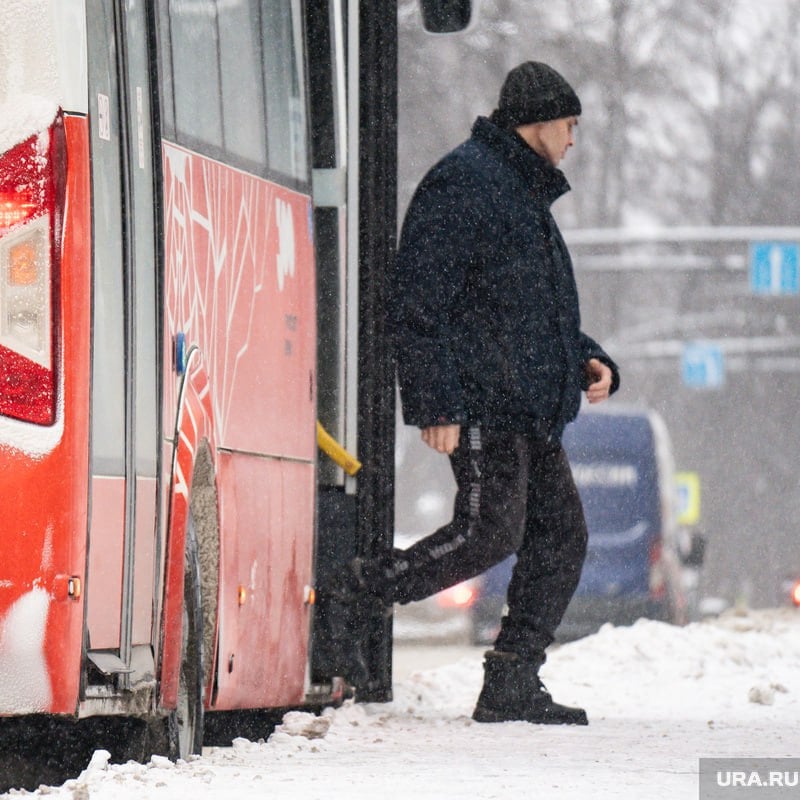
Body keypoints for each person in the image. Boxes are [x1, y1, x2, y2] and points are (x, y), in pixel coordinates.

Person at [353, 61, 619, 724]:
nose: (573, 139)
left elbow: (534, 308)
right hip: (481, 400)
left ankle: (512, 680)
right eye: (570, 125)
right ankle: (355, 594)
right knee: (488, 531)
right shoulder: (465, 182)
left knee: (561, 537)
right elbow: (419, 299)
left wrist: (588, 357)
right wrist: (435, 403)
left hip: (526, 408)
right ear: (538, 121)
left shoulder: (521, 193)